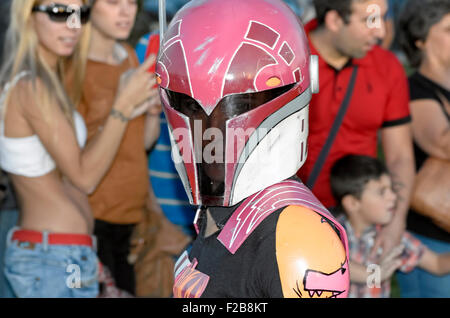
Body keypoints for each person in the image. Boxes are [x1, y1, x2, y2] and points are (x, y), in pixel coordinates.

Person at [156, 0, 350, 298]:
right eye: (189, 105)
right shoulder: (215, 214)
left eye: (243, 104)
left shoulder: (299, 234)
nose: (213, 133)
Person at [0, 0, 155, 298]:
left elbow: (77, 168)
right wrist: (122, 106)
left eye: (80, 13)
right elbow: (85, 178)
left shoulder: (47, 79)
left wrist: (136, 108)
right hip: (50, 256)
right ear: (27, 15)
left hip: (64, 252)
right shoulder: (30, 86)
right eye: (59, 12)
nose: (73, 25)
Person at [297, 0, 415, 263]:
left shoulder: (387, 67)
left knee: (369, 286)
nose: (382, 32)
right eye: (369, 21)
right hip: (292, 216)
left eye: (383, 18)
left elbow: (400, 156)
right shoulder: (288, 58)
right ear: (335, 20)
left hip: (359, 223)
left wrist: (395, 220)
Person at [73, 0, 161, 296]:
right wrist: (121, 106)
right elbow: (72, 159)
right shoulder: (72, 65)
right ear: (87, 7)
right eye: (113, 2)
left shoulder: (127, 55)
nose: (126, 11)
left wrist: (152, 112)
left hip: (130, 216)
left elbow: (141, 143)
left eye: (131, 2)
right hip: (91, 217)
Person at [330, 154, 450, 298]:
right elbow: (334, 266)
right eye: (382, 192)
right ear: (352, 203)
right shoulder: (330, 232)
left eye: (391, 189)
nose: (393, 196)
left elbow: (436, 264)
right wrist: (374, 275)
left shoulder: (391, 237)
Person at [396, 0, 450, 297]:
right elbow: (442, 142)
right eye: (448, 29)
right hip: (430, 238)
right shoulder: (415, 89)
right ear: (421, 40)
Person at [135, 32, 197, 238]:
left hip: (217, 211)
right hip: (161, 209)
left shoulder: (232, 45)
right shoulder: (153, 44)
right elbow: (134, 142)